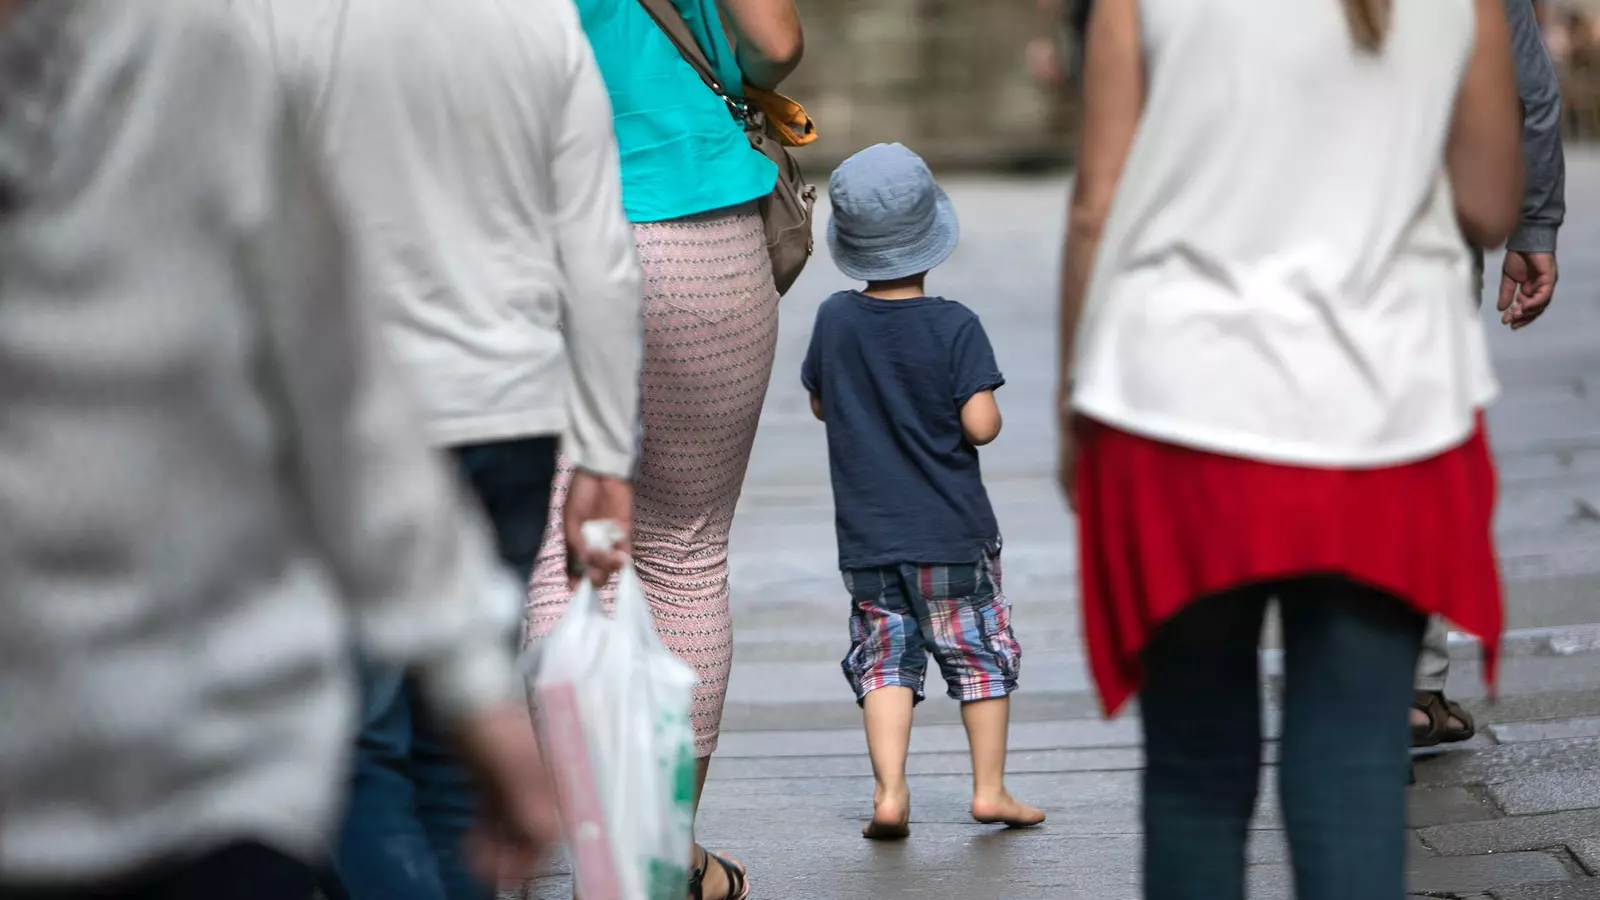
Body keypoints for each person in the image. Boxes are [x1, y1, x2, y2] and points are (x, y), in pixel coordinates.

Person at [0, 1, 567, 898]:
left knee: (379, 748)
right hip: (491, 404)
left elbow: (332, 373)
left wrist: (468, 667)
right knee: (390, 752)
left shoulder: (191, 49)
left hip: (214, 754)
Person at [1058, 0, 1521, 897]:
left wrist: (1073, 401)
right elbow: (1489, 201)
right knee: (1354, 767)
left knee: (1193, 771)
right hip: (1386, 409)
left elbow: (1096, 208)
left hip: (1179, 401)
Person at [229, 1, 646, 898]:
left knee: (357, 739)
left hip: (349, 415)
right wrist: (605, 454)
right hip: (510, 412)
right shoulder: (540, 23)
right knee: (463, 732)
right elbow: (600, 258)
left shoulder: (279, 17)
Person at [521, 1, 803, 897]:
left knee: (564, 547)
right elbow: (775, 43)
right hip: (692, 220)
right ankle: (658, 859)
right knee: (685, 548)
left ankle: (598, 841)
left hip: (537, 229)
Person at [800, 143, 1046, 842]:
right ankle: (989, 790)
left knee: (883, 659)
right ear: (931, 236)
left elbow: (822, 404)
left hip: (868, 539)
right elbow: (981, 425)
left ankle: (888, 793)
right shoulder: (955, 325)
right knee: (979, 655)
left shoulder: (835, 320)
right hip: (951, 535)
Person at [1413, 0, 1566, 751]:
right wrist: (1532, 222)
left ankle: (1335, 669)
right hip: (1429, 229)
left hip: (1274, 236)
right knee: (1420, 441)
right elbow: (1527, 91)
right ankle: (1411, 686)